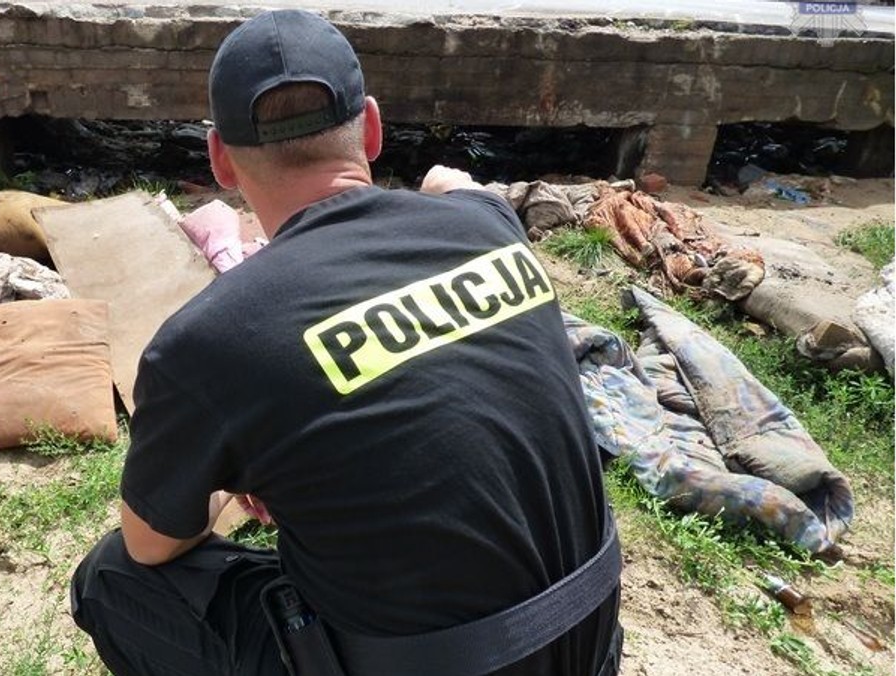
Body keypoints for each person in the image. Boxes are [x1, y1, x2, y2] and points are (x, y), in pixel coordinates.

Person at [71, 9, 622, 676]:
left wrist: (237, 463)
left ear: (219, 158)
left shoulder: (207, 342)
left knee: (111, 577)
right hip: (588, 644)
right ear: (371, 127)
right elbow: (456, 183)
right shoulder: (492, 228)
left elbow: (152, 545)